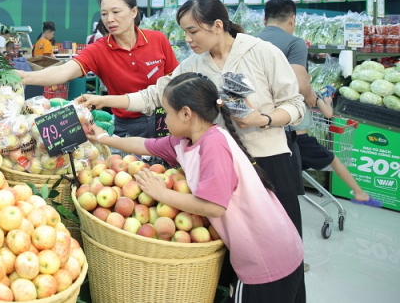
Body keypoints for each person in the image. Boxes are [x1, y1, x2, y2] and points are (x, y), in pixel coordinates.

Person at [77, 0, 306, 240]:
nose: (187, 39)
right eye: (184, 31)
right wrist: (103, 100)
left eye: (192, 31)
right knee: (235, 245)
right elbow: (155, 94)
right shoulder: (193, 64)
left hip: (268, 161)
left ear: (218, 26)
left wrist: (263, 119)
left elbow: (295, 105)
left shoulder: (261, 52)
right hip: (220, 167)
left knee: (279, 240)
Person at [87, 73, 305, 303]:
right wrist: (104, 138)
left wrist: (162, 193)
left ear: (186, 114)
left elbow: (214, 207)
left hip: (266, 256)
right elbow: (143, 145)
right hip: (268, 250)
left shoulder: (213, 144)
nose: (165, 120)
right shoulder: (185, 142)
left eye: (167, 113)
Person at [258, 0, 381, 208]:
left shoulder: (248, 42)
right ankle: (359, 193)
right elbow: (298, 83)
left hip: (261, 125)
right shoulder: (294, 43)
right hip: (290, 129)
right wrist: (311, 96)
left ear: (263, 19)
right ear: (292, 19)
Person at [18, 0, 178, 139]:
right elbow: (63, 71)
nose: (109, 19)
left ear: (134, 12)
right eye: (104, 14)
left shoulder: (158, 39)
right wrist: (26, 77)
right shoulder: (98, 50)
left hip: (165, 120)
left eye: (116, 12)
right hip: (129, 126)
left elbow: (176, 81)